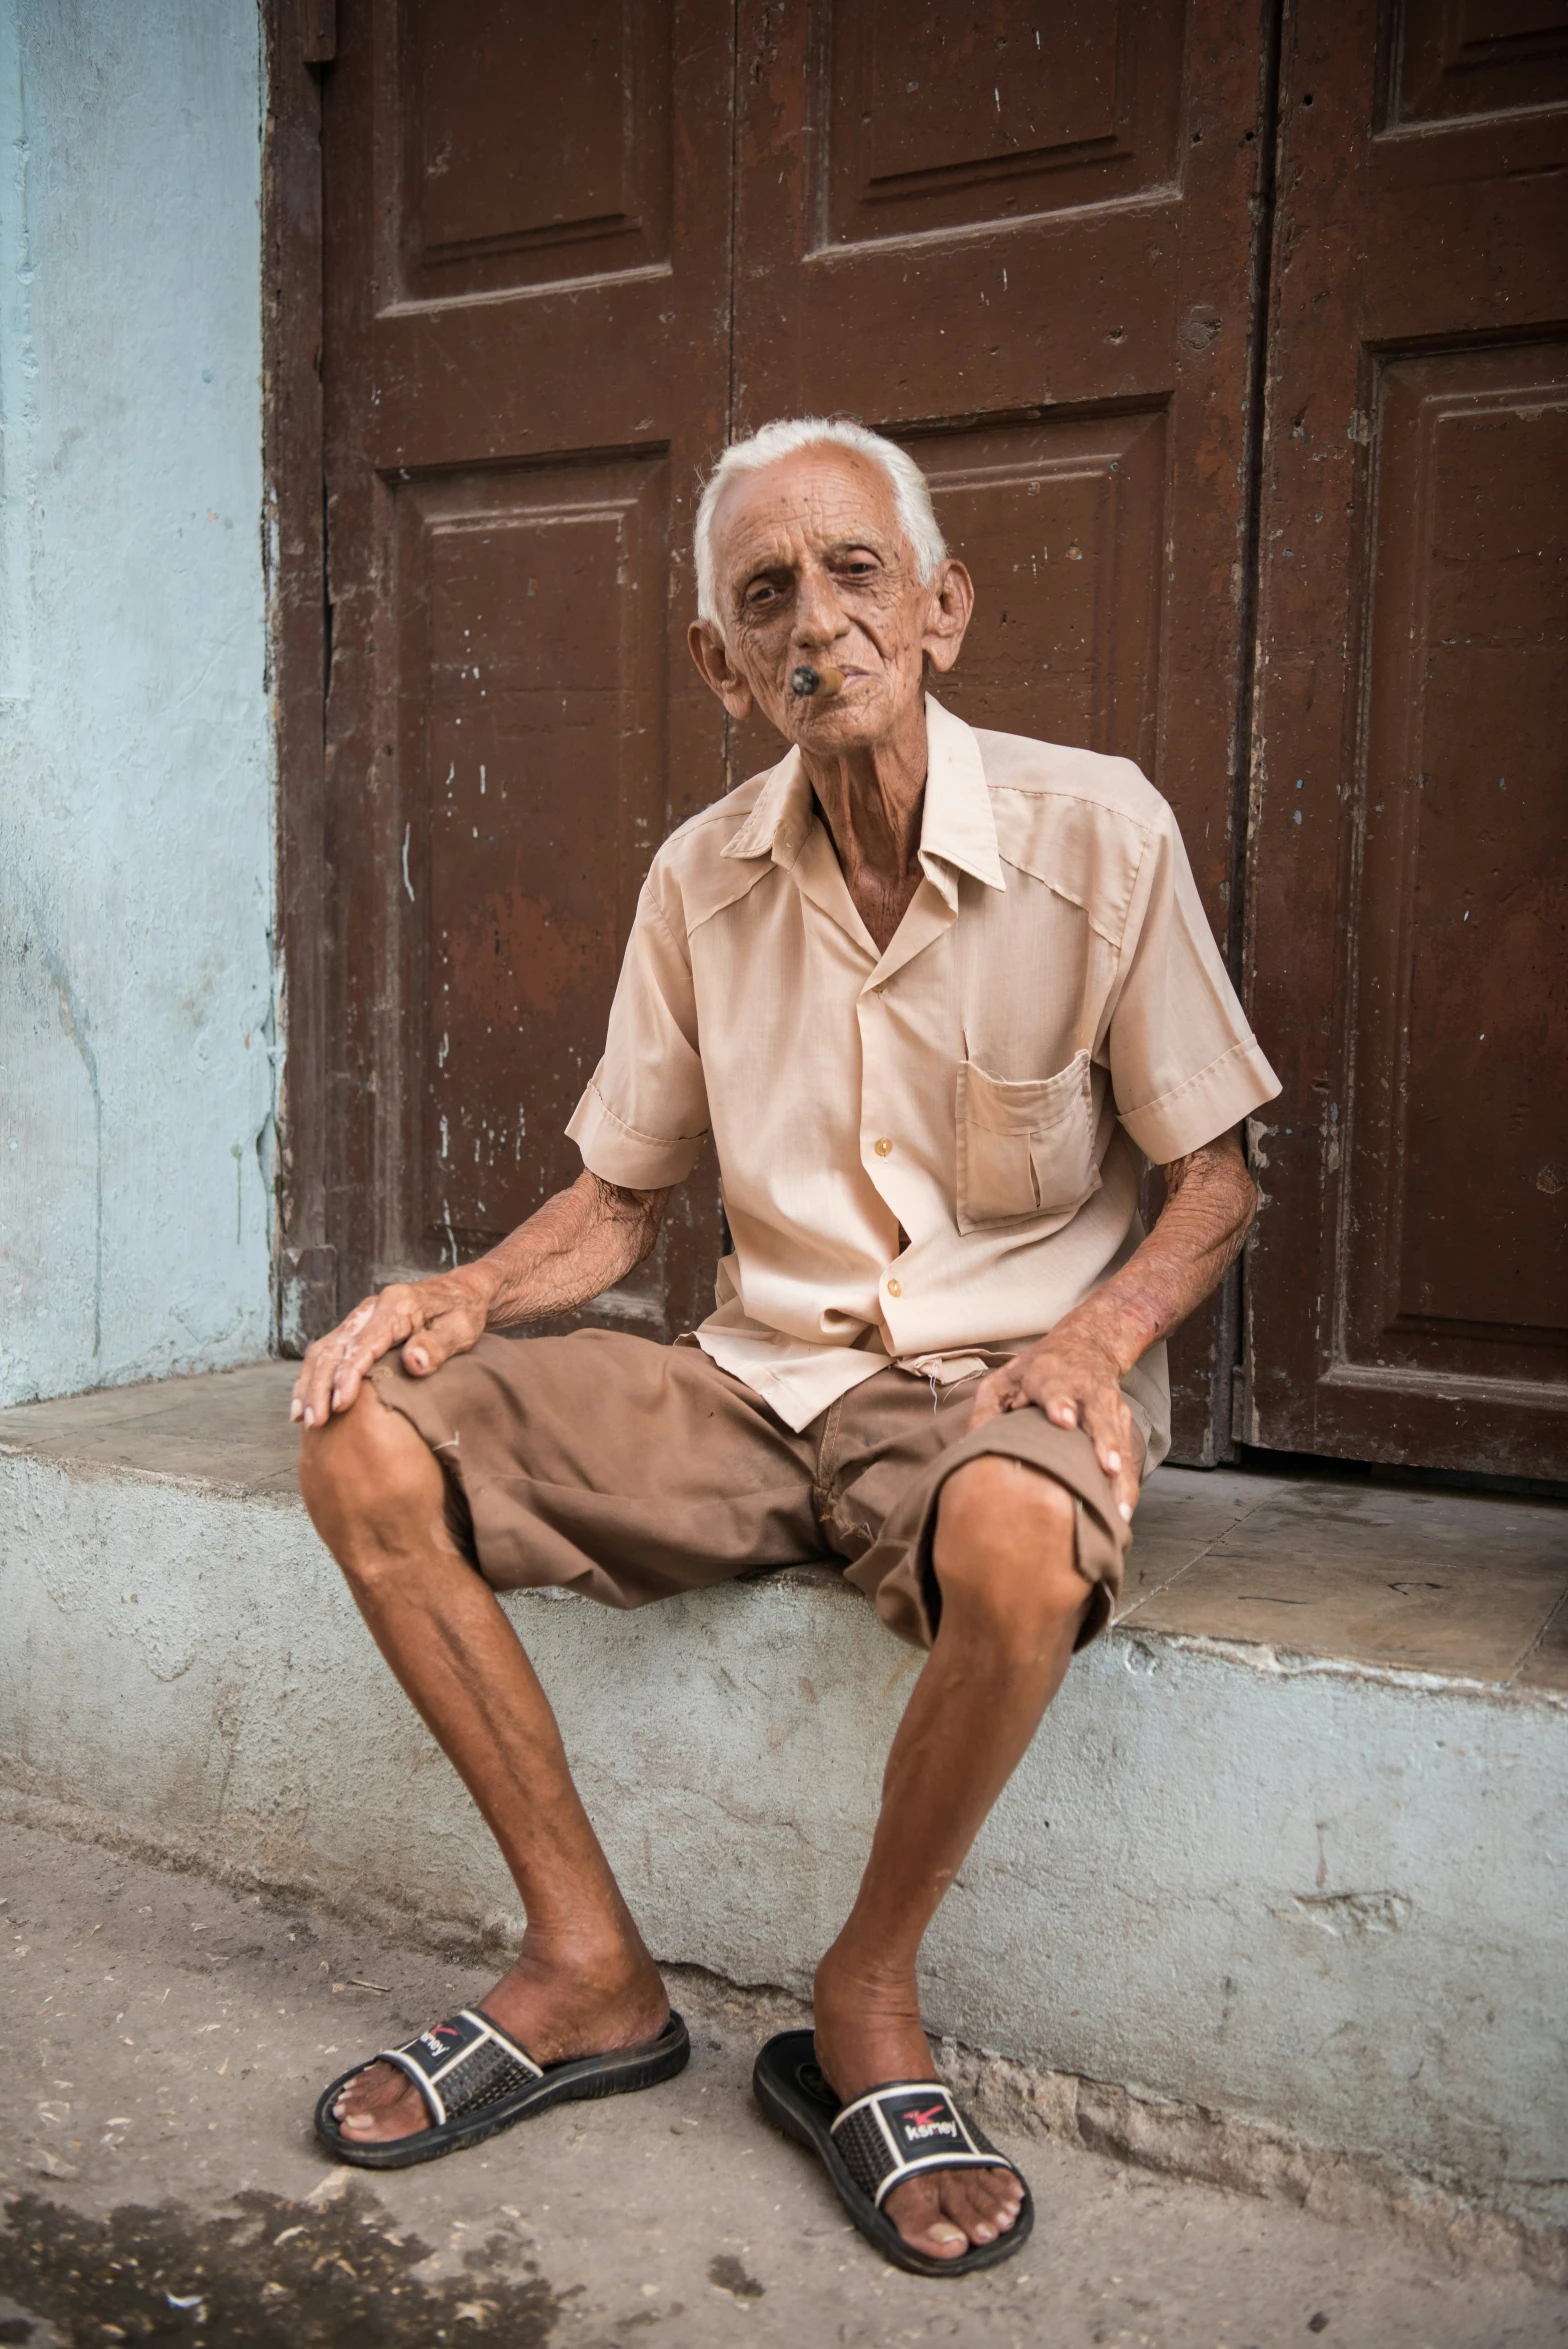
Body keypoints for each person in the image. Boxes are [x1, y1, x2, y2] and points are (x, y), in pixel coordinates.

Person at [294, 416, 1279, 2277]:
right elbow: (619, 1200)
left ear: (942, 606)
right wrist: (467, 1294)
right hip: (756, 1385)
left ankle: (864, 2008)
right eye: (766, 598)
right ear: (719, 667)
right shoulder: (701, 879)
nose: (817, 623)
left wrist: (1102, 1334)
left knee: (1020, 1539)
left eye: (854, 574)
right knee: (363, 1432)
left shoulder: (1098, 831)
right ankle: (586, 1963)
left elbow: (1216, 1177)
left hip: (991, 1390)